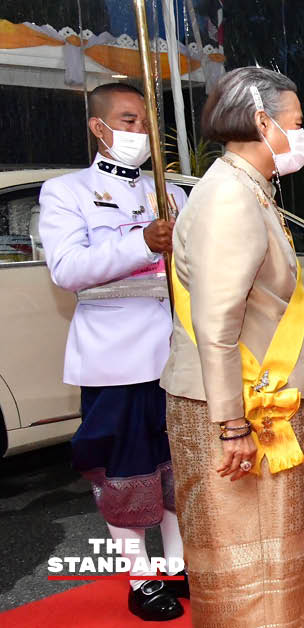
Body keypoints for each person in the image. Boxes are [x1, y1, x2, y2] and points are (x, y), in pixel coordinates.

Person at [159, 67, 304, 627]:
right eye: (297, 123)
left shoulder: (250, 189)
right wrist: (231, 425)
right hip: (242, 411)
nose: (302, 136)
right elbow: (217, 323)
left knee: (278, 547)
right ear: (264, 122)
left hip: (267, 399)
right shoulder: (229, 197)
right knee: (246, 556)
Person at [39, 82, 189, 622]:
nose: (138, 133)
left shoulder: (171, 191)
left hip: (175, 355)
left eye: (145, 123)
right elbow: (67, 270)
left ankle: (176, 565)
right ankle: (140, 577)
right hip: (115, 356)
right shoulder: (66, 192)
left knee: (175, 467)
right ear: (97, 127)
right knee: (124, 473)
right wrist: (140, 243)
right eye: (127, 121)